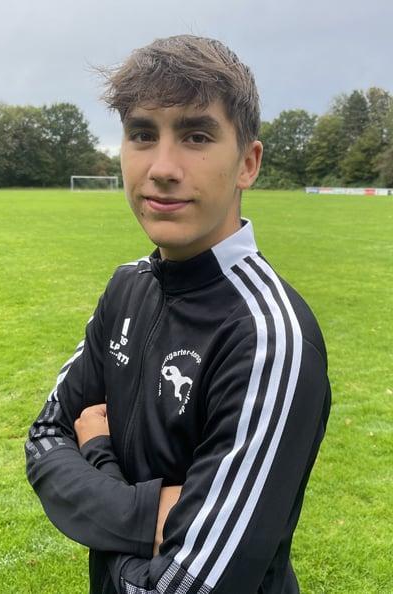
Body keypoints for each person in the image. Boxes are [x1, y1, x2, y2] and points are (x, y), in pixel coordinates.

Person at [25, 35, 331, 594]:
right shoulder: (126, 287)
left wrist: (95, 456)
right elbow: (45, 438)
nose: (162, 167)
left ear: (247, 164)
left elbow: (182, 586)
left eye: (196, 136)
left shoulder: (268, 339)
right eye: (143, 134)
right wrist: (150, 516)